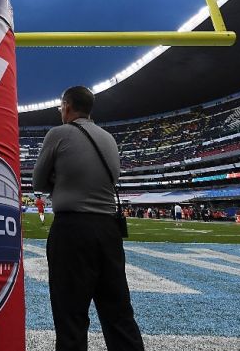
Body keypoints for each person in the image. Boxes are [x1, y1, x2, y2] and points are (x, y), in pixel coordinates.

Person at [33, 86, 145, 351]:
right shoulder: (109, 138)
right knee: (118, 313)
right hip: (108, 230)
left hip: (72, 229)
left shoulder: (58, 133)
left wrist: (61, 179)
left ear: (67, 106)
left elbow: (38, 181)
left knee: (70, 315)